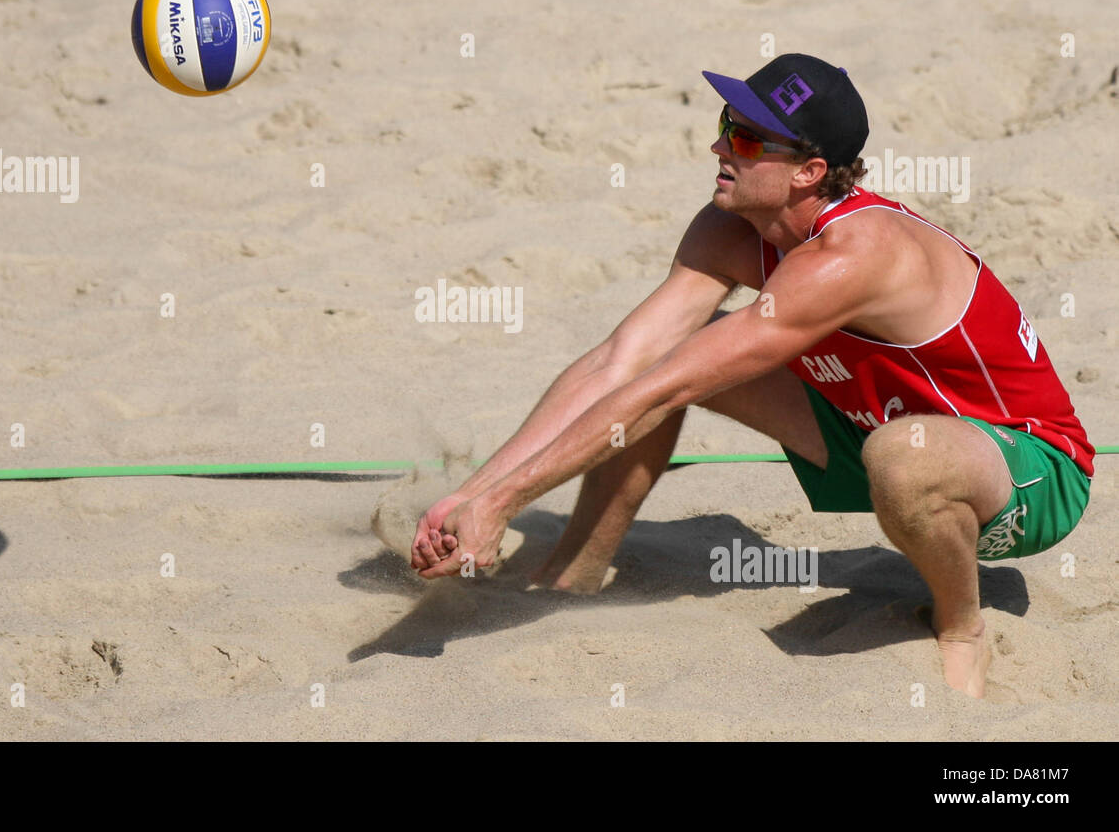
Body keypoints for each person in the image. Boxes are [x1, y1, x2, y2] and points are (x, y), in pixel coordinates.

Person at [408, 53, 1093, 698]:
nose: (719, 148)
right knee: (662, 358)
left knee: (886, 452)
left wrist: (504, 505)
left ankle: (960, 624)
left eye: (745, 137)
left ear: (807, 171)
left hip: (1023, 462)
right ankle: (570, 577)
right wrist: (473, 494)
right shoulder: (729, 226)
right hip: (866, 424)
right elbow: (619, 361)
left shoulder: (856, 252)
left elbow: (669, 387)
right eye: (724, 126)